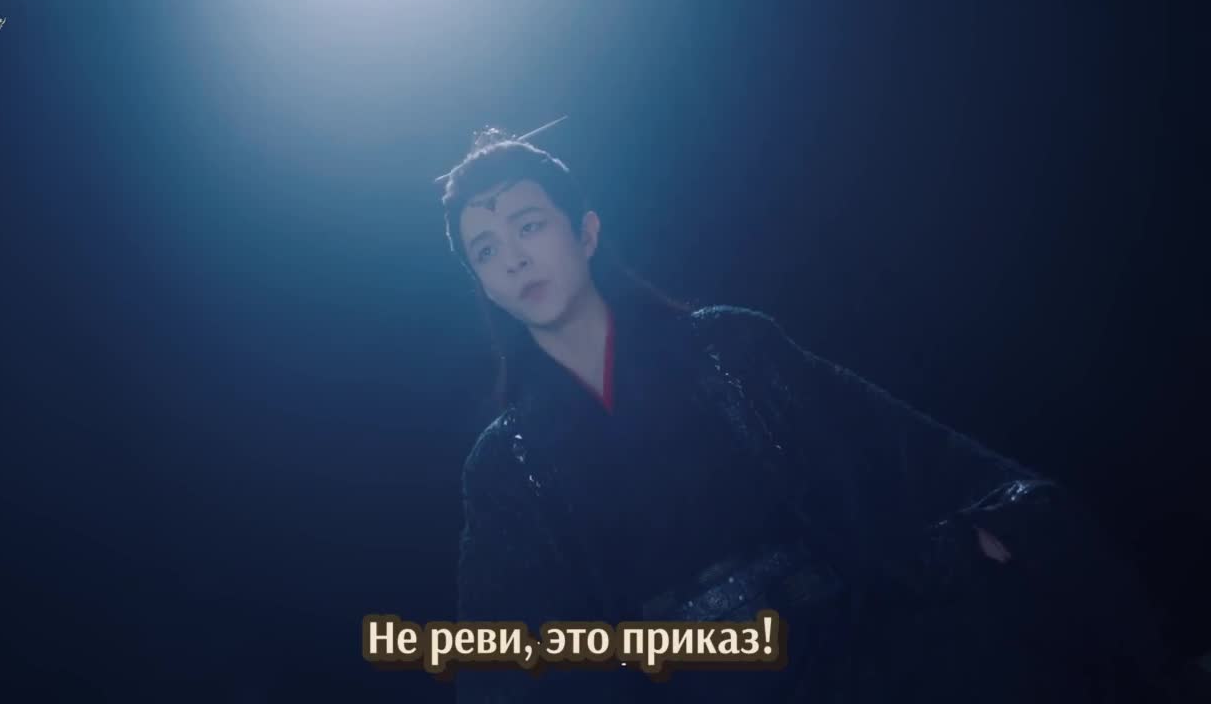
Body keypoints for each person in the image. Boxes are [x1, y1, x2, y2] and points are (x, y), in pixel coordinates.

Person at [440, 128, 1181, 703]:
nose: (514, 259)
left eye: (529, 226)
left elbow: (892, 453)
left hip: (858, 657)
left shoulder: (727, 348)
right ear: (483, 285)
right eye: (487, 249)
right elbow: (507, 658)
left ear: (586, 232)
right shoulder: (508, 463)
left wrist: (981, 533)